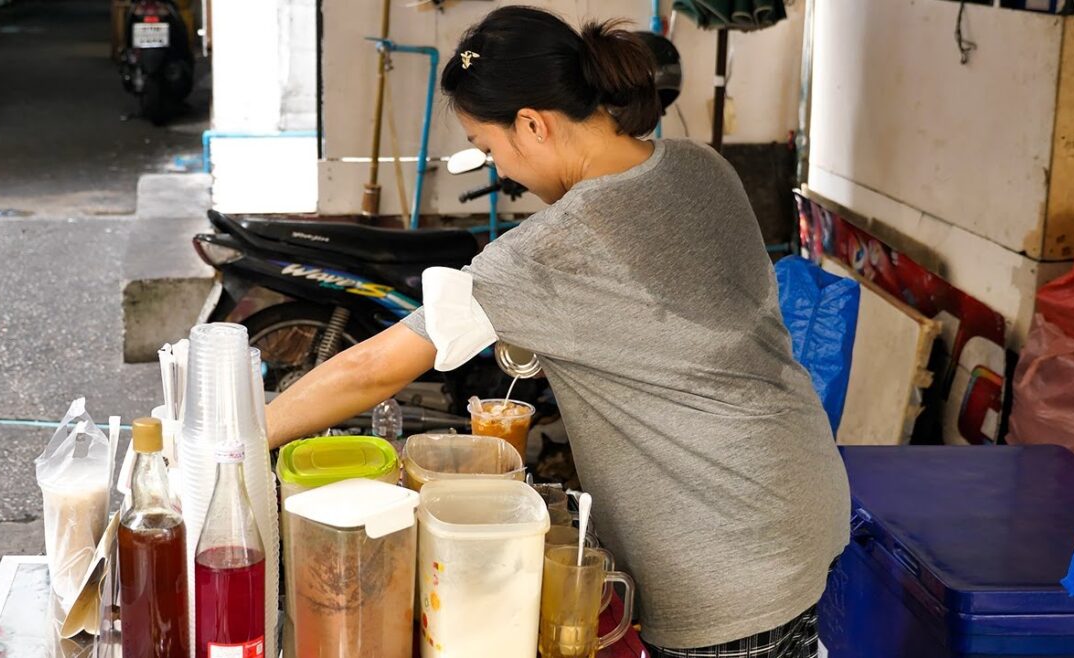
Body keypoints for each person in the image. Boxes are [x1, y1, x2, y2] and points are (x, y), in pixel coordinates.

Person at [266, 6, 849, 657]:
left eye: (490, 150)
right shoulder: (699, 166)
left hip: (722, 554)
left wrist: (239, 437)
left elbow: (372, 368)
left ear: (534, 124)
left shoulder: (557, 245)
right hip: (807, 496)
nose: (502, 172)